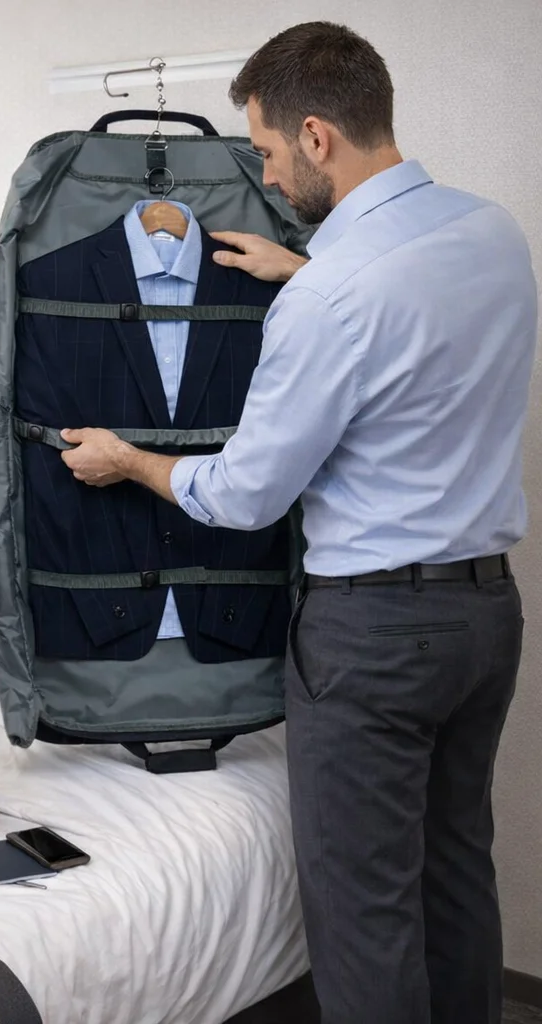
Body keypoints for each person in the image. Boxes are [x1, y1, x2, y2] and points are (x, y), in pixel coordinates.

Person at [57, 21, 537, 1024]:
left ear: (317, 137)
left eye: (268, 151)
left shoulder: (330, 301)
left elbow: (243, 496)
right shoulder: (492, 234)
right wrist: (300, 273)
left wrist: (129, 458)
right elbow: (413, 331)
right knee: (453, 871)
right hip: (486, 617)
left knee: (361, 914)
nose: (265, 174)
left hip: (373, 642)